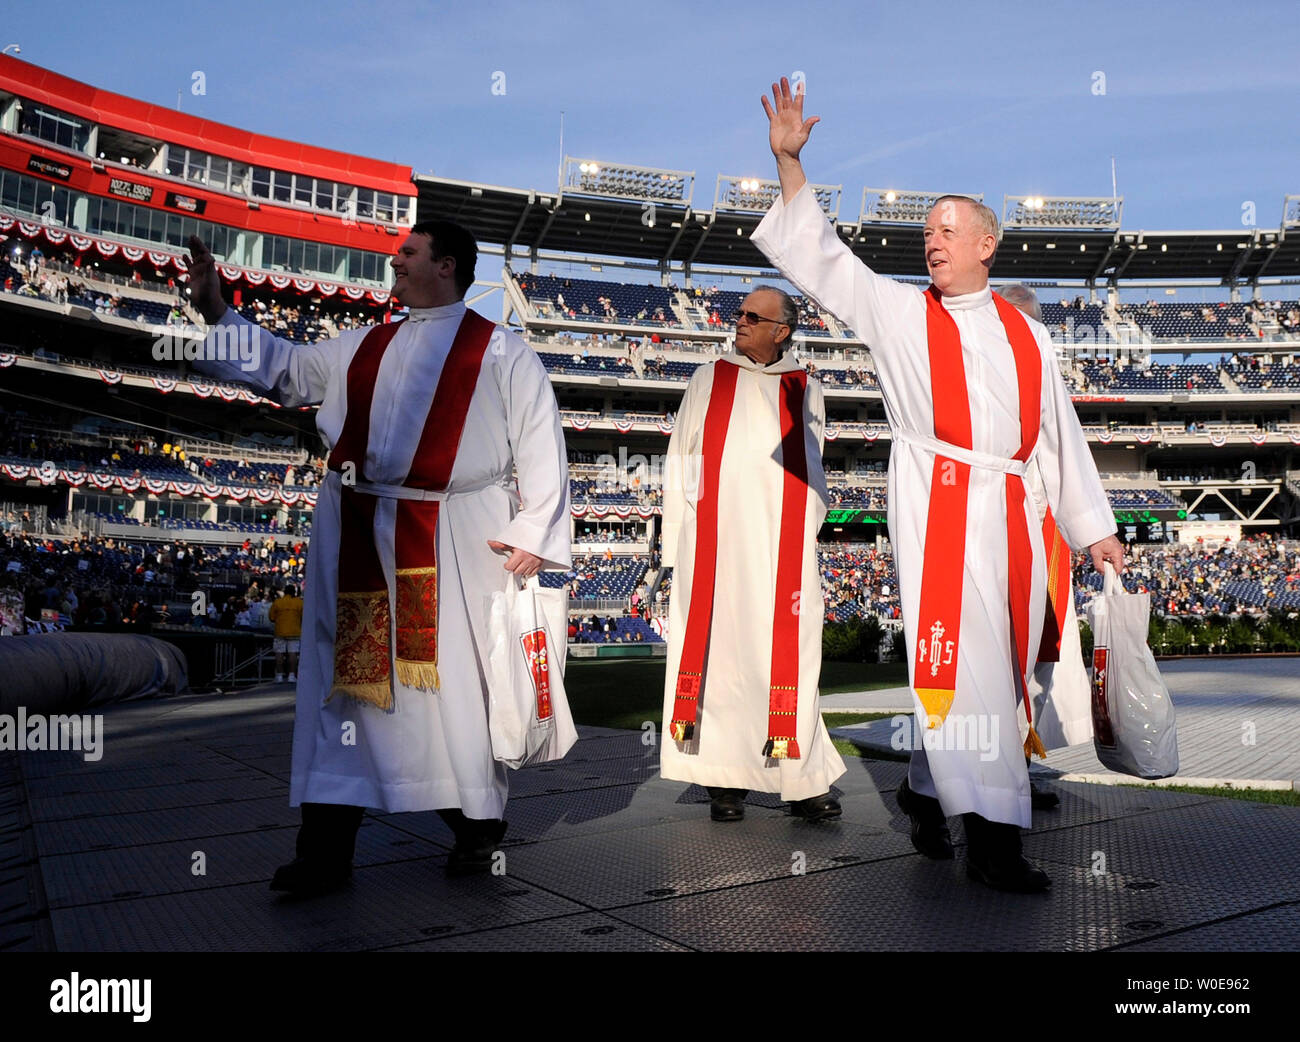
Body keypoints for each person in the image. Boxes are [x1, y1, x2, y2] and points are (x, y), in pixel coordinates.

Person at [754, 79, 1123, 892]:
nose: (933, 242)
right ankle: (994, 847)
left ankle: (926, 790)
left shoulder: (1029, 334)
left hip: (1019, 516)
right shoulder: (900, 314)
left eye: (948, 231)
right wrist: (788, 164)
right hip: (943, 508)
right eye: (927, 232)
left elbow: (1057, 437)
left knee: (992, 674)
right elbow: (824, 260)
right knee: (971, 674)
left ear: (987, 244)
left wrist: (1092, 527)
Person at [185, 219, 571, 895]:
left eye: (408, 253)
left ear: (446, 265)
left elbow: (541, 437)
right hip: (357, 531)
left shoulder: (502, 351)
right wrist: (220, 309)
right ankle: (324, 854)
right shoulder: (364, 343)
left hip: (451, 535)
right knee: (348, 695)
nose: (395, 262)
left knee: (446, 692)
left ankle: (477, 826)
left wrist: (535, 530)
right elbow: (287, 370)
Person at [659, 284, 845, 823]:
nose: (738, 322)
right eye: (739, 313)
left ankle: (801, 779)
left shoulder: (803, 386)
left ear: (781, 330)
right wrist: (677, 546)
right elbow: (680, 457)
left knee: (792, 654)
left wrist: (805, 532)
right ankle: (723, 782)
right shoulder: (707, 377)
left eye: (752, 316)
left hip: (779, 548)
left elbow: (812, 460)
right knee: (721, 661)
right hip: (713, 545)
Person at [268, 584, 303, 682]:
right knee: (293, 654)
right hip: (295, 631)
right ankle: (291, 675)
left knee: (279, 653)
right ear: (294, 592)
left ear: (285, 592)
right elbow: (303, 617)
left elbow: (271, 617)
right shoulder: (299, 603)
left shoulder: (278, 602)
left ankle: (279, 675)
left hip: (280, 631)